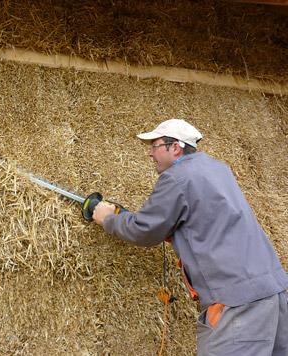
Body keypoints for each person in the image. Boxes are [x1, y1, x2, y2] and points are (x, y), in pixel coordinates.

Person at [92, 118, 288, 356]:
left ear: (175, 147)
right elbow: (206, 219)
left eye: (154, 146)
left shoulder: (177, 177)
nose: (149, 154)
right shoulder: (217, 169)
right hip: (274, 292)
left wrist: (107, 218)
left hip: (238, 302)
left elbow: (143, 231)